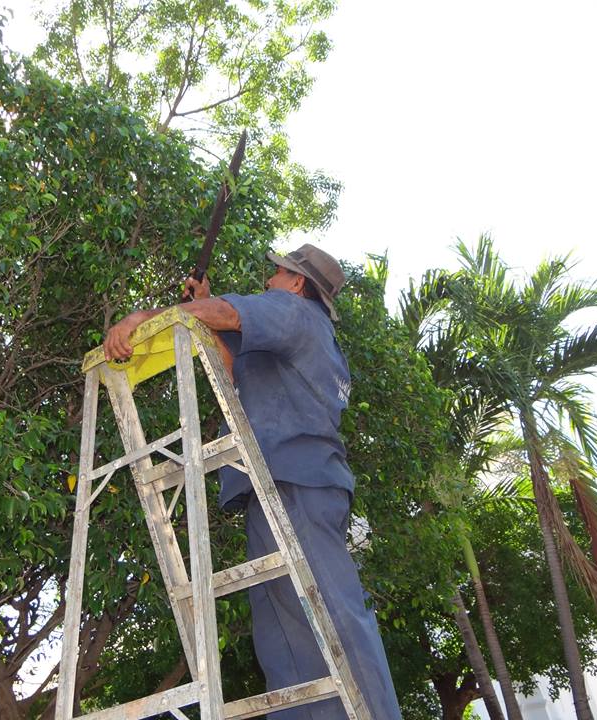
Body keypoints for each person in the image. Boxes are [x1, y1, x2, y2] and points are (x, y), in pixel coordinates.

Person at [103, 244, 401, 720]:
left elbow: (228, 313)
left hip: (293, 479)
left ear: (298, 283)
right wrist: (204, 304)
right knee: (287, 625)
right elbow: (231, 362)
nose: (269, 282)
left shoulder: (293, 310)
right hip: (285, 482)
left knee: (332, 613)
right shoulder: (312, 335)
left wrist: (143, 317)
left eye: (276, 274)